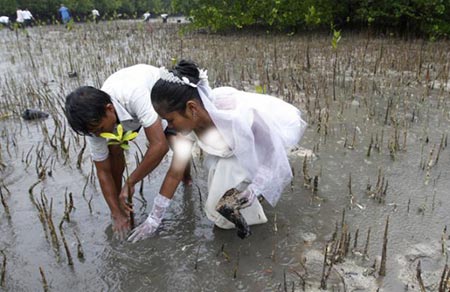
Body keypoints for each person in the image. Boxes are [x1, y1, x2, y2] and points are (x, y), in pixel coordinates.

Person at [127, 60, 307, 242]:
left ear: (191, 108)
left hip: (258, 146)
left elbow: (272, 154)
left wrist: (256, 188)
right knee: (218, 193)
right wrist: (154, 219)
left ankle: (252, 213)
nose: (169, 126)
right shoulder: (188, 129)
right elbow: (175, 173)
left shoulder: (237, 116)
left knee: (230, 177)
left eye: (171, 120)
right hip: (227, 151)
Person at [64, 64, 192, 240]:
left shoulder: (134, 94)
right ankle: (121, 205)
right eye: (94, 133)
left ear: (109, 109)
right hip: (125, 114)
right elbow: (103, 170)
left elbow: (159, 147)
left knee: (178, 145)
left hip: (157, 97)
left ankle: (187, 179)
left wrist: (130, 182)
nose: (99, 135)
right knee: (113, 149)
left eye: (101, 129)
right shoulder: (93, 125)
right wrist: (116, 212)